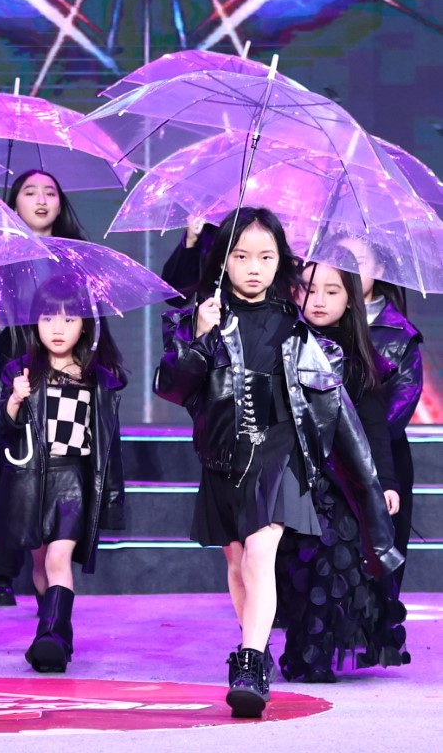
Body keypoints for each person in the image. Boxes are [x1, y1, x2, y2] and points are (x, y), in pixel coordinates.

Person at [155, 207, 400, 718]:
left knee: (259, 554)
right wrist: (200, 337)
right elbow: (172, 389)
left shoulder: (295, 327)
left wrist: (374, 489)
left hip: (279, 454)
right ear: (224, 260)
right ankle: (258, 649)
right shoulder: (201, 316)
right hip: (223, 457)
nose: (254, 267)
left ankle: (247, 663)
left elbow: (340, 414)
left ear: (280, 262)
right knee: (236, 563)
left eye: (266, 257)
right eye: (242, 256)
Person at [0, 169, 96, 620]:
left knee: (38, 482)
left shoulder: (74, 258)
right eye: (29, 192)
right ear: (13, 203)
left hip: (54, 380)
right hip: (4, 370)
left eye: (50, 192)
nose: (40, 199)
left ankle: (47, 610)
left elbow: (90, 321)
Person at [275, 256, 407, 680]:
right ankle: (299, 650)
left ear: (351, 299)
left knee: (333, 559)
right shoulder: (282, 347)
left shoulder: (357, 358)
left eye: (331, 291)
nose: (318, 300)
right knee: (296, 565)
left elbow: (374, 428)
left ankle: (316, 654)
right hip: (292, 477)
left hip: (341, 483)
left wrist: (386, 482)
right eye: (309, 289)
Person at [0, 281, 126, 673]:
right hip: (30, 480)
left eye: (69, 319)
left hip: (72, 479)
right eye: (48, 317)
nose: (57, 328)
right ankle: (55, 632)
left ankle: (49, 635)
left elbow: (108, 443)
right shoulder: (20, 372)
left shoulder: (98, 378)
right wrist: (14, 400)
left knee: (58, 557)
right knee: (39, 562)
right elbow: (0, 430)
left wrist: (111, 497)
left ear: (85, 326)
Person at [326, 235, 425, 597]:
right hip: (325, 459)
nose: (348, 270)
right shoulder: (316, 324)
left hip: (382, 458)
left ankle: (379, 622)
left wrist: (351, 439)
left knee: (380, 554)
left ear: (381, 270)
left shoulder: (401, 334)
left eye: (358, 263)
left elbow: (399, 405)